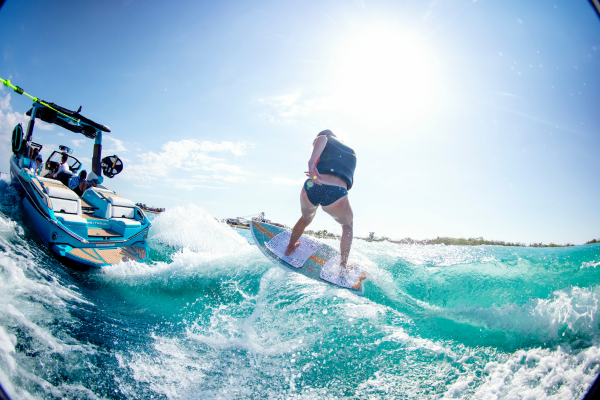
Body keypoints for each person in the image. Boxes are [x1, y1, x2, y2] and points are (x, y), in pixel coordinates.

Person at [285, 129, 357, 276]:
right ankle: (342, 268)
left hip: (313, 186)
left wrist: (312, 163)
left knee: (305, 219)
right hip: (336, 194)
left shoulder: (325, 137)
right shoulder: (352, 153)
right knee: (347, 226)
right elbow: (349, 181)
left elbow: (322, 138)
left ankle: (290, 247)